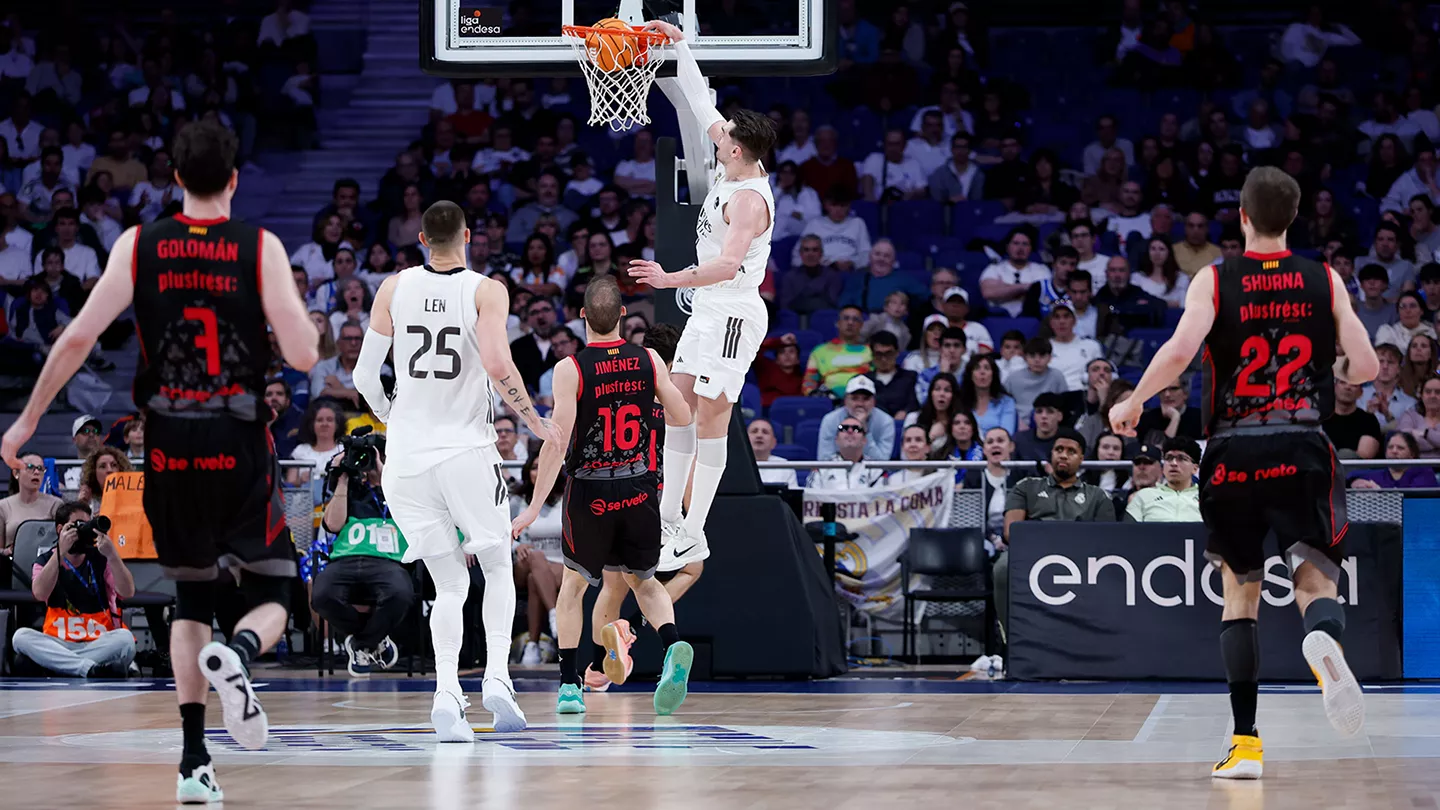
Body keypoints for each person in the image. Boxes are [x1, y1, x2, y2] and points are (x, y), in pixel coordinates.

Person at [0, 121, 321, 803]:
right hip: (236, 440)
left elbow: (81, 336)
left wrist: (28, 420)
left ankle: (193, 763)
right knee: (273, 593)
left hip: (168, 444)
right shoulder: (257, 247)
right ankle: (238, 656)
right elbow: (300, 355)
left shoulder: (137, 244)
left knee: (191, 598)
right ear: (233, 179)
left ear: (174, 178)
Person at [1110, 166, 1378, 778]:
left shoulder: (1214, 278)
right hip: (1302, 444)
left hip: (1231, 451)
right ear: (1295, 217)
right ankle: (1325, 645)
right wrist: (1327, 365)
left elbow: (1179, 352)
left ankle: (1246, 745)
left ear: (1242, 218)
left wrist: (1132, 402)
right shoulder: (1324, 279)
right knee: (1314, 581)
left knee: (1240, 595)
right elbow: (1363, 367)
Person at [354, 200, 559, 740]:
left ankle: (447, 693)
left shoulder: (393, 288)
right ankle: (495, 678)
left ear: (422, 238)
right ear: (468, 236)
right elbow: (496, 364)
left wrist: (393, 418)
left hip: (406, 463)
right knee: (494, 566)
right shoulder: (486, 290)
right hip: (466, 453)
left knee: (447, 584)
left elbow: (363, 374)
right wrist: (534, 420)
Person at [626, 24, 779, 581]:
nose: (715, 134)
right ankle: (670, 523)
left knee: (711, 417)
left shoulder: (747, 200)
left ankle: (692, 531)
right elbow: (699, 99)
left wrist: (671, 280)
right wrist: (680, 44)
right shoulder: (736, 158)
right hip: (711, 310)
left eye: (722, 136)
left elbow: (728, 265)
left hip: (733, 312)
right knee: (679, 407)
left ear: (736, 150)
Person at [511, 277, 695, 716]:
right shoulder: (650, 360)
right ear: (623, 317)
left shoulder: (570, 369)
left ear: (581, 318)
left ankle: (571, 685)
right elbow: (683, 414)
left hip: (591, 490)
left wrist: (536, 506)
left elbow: (557, 441)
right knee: (646, 583)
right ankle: (671, 645)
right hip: (639, 486)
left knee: (573, 588)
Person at [995, 428, 1115, 645]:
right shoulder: (1026, 487)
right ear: (1051, 454)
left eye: (1071, 451)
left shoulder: (1097, 496)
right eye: (1059, 449)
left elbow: (1105, 541)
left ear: (1081, 459)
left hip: (1081, 559)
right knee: (1003, 568)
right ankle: (1010, 640)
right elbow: (1011, 532)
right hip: (1032, 555)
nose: (1063, 455)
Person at [11, 500, 136, 678]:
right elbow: (39, 593)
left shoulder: (101, 558)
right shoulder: (45, 561)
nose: (83, 532)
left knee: (125, 638)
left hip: (98, 642)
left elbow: (128, 592)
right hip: (58, 643)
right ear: (60, 530)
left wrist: (113, 555)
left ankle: (60, 666)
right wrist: (60, 552)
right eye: (77, 526)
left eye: (86, 525)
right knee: (20, 637)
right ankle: (89, 669)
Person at [313, 448, 409, 677]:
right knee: (321, 596)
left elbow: (409, 509)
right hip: (344, 559)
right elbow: (333, 525)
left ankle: (361, 645)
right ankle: (373, 641)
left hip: (386, 561)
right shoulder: (349, 491)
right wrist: (344, 477)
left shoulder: (397, 489)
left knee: (401, 594)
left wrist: (381, 471)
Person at [509, 455, 564, 665]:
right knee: (536, 557)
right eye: (534, 468)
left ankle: (532, 645)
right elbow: (503, 535)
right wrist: (517, 545)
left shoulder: (565, 498)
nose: (538, 472)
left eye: (544, 466)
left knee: (536, 579)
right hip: (524, 561)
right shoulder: (518, 501)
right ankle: (554, 613)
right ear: (527, 472)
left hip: (559, 564)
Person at [0, 452, 62, 559]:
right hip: (12, 567)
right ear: (16, 473)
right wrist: (8, 551)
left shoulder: (55, 504)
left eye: (40, 468)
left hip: (45, 566)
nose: (36, 472)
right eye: (30, 467)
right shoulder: (3, 506)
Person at [817, 376, 895, 461]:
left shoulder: (886, 422)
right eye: (855, 398)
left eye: (866, 399)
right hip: (836, 471)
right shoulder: (830, 420)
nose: (860, 404)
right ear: (846, 400)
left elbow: (882, 462)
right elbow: (824, 459)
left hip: (872, 473)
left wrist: (864, 429)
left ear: (874, 401)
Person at [1125, 436, 1202, 522]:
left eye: (1181, 459)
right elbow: (1129, 532)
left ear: (1195, 468)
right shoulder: (1142, 496)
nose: (1174, 463)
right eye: (1169, 458)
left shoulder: (1206, 498)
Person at [803, 306, 872, 398]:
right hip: (830, 400)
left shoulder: (871, 351)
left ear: (861, 325)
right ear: (838, 323)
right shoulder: (820, 351)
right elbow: (809, 381)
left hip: (864, 399)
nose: (850, 323)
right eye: (846, 318)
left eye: (855, 319)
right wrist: (813, 394)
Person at [809, 415, 887, 490]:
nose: (850, 431)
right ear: (836, 439)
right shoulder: (821, 469)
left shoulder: (877, 471)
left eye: (856, 429)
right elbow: (810, 499)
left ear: (864, 440)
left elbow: (881, 500)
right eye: (844, 428)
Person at [1007, 338, 1069, 425]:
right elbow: (1005, 404)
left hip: (1050, 424)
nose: (1037, 360)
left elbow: (1065, 405)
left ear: (1050, 357)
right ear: (1025, 357)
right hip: (1019, 424)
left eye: (1042, 356)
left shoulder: (1057, 376)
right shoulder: (1013, 378)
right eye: (1032, 356)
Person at [1359, 344, 1416, 431]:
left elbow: (1407, 434)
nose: (1385, 366)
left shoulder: (1410, 404)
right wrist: (1367, 415)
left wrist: (1388, 415)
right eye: (1381, 361)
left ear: (1399, 369)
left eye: (1390, 362)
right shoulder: (1358, 396)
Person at [864, 331, 918, 421]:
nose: (883, 359)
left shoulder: (910, 377)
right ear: (872, 355)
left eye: (888, 353)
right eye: (879, 354)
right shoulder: (863, 381)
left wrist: (906, 411)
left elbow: (915, 403)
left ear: (897, 353)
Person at [958, 354, 1017, 436]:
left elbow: (1006, 434)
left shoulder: (1007, 402)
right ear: (970, 375)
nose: (982, 372)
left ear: (993, 374)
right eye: (977, 368)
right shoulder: (960, 401)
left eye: (987, 368)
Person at [1324, 380, 1383, 459]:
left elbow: (1365, 455)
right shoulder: (1320, 418)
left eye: (1354, 385)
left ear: (1361, 392)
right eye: (1342, 382)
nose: (1347, 387)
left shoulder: (1369, 420)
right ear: (1334, 387)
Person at [1135, 376, 1202, 444]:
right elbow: (1157, 451)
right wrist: (1175, 419)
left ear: (1185, 394)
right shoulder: (1147, 418)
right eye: (1162, 390)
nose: (1167, 394)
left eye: (1173, 389)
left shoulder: (1200, 418)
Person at [1396, 376, 1440, 457]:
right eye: (1428, 392)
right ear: (1421, 395)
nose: (1433, 396)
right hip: (1415, 468)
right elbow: (1403, 441)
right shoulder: (1410, 416)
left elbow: (1412, 444)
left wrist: (1425, 433)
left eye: (1438, 392)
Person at [1015, 392, 1066, 461]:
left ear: (1060, 416)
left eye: (1050, 411)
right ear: (1034, 416)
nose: (1044, 416)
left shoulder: (1070, 441)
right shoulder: (1019, 440)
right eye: (1039, 411)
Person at [748, 418, 798, 488]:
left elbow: (792, 497)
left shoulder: (785, 466)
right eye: (754, 431)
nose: (759, 435)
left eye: (765, 432)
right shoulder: (733, 464)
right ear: (745, 439)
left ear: (773, 443)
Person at [63, 414, 104, 490]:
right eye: (86, 431)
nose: (91, 434)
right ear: (74, 439)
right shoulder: (63, 473)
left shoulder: (110, 468)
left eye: (95, 431)